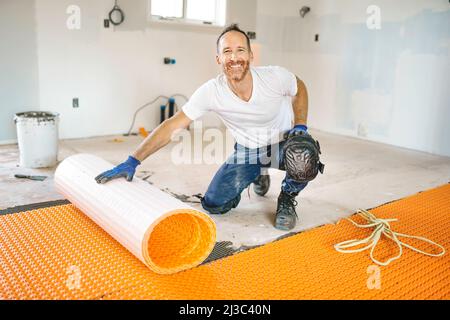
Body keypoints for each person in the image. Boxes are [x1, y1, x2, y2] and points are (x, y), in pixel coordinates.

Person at [95, 23, 319, 231]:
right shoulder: (211, 91)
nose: (234, 57)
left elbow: (299, 88)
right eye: (227, 52)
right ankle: (257, 173)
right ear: (218, 59)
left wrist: (300, 125)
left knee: (304, 156)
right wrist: (133, 160)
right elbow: (172, 125)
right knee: (214, 205)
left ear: (251, 55)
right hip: (248, 151)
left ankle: (287, 197)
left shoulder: (274, 77)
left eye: (240, 50)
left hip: (284, 144)